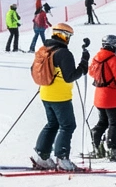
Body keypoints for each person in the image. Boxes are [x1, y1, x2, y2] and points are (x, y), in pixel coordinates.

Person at [31, 23, 91, 171]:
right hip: (60, 96)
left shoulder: (44, 50)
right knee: (68, 125)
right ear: (63, 35)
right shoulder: (63, 53)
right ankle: (62, 159)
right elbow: (70, 76)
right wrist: (84, 64)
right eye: (68, 36)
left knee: (52, 124)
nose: (68, 39)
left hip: (45, 93)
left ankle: (42, 156)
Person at [89, 35, 116, 162]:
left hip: (99, 96)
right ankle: (113, 148)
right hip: (112, 97)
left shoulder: (96, 58)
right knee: (115, 122)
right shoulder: (115, 60)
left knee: (103, 121)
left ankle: (96, 140)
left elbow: (91, 72)